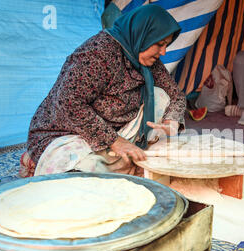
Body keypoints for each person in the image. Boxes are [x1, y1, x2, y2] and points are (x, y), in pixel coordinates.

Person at [19, 4, 186, 178]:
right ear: (142, 34)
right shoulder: (98, 53)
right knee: (86, 177)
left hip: (116, 130)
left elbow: (176, 96)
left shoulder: (144, 56)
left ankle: (124, 157)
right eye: (159, 44)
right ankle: (37, 160)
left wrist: (171, 121)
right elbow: (69, 103)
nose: (164, 52)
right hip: (69, 133)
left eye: (166, 45)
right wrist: (115, 141)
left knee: (161, 96)